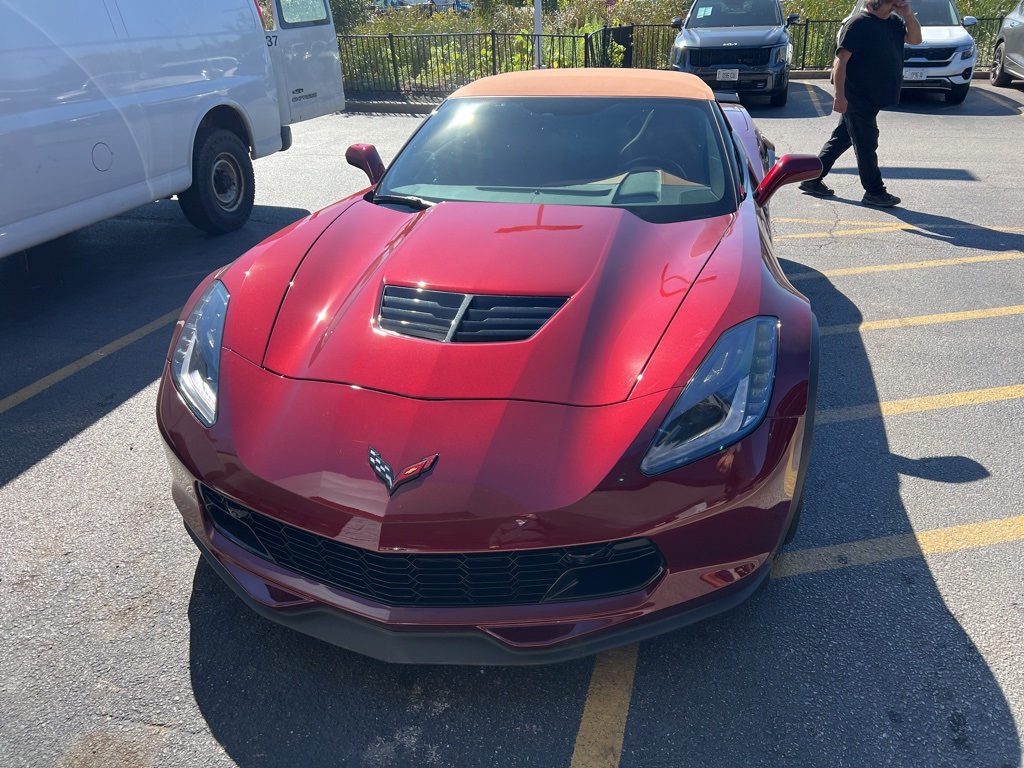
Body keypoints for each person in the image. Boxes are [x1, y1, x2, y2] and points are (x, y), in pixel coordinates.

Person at [800, 0, 922, 207]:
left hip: (873, 96)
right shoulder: (858, 24)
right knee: (866, 143)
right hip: (857, 96)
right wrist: (839, 96)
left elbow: (916, 40)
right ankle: (874, 191)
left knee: (842, 138)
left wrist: (908, 15)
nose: (901, 2)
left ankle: (812, 179)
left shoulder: (893, 22)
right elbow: (841, 61)